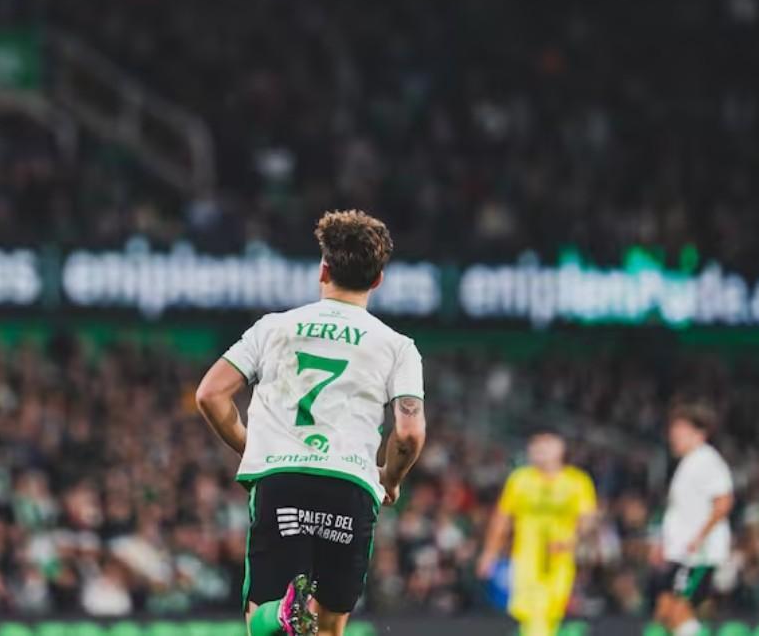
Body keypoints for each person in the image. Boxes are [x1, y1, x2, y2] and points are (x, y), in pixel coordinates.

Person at [195, 210, 427, 636]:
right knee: (328, 626)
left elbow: (210, 394)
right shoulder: (398, 347)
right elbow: (409, 432)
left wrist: (253, 447)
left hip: (282, 479)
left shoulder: (274, 327)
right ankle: (292, 614)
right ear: (378, 280)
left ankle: (278, 614)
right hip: (351, 485)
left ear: (323, 270)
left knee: (266, 619)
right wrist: (391, 479)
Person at [477, 430, 597, 636]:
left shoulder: (578, 481)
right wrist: (489, 552)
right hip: (525, 559)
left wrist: (572, 540)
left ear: (560, 448)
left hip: (560, 561)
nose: (538, 450)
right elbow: (502, 519)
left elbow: (588, 520)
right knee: (533, 613)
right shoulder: (519, 479)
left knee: (549, 613)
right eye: (535, 445)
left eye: (545, 444)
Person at [653, 403, 734, 636]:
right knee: (664, 611)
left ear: (699, 433)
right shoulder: (688, 463)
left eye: (679, 429)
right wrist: (664, 542)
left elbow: (724, 501)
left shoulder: (707, 460)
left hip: (699, 553)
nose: (673, 435)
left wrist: (701, 536)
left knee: (678, 611)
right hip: (680, 551)